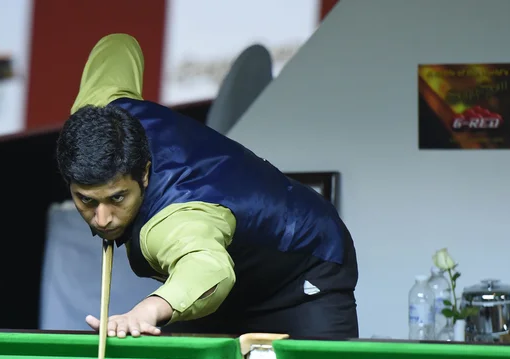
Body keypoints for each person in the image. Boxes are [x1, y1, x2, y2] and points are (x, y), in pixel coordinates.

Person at [55, 33, 359, 340]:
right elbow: (119, 45)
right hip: (220, 291)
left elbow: (208, 269)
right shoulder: (99, 113)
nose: (103, 217)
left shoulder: (176, 219)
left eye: (117, 198)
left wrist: (147, 310)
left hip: (302, 266)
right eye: (87, 201)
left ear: (144, 174)